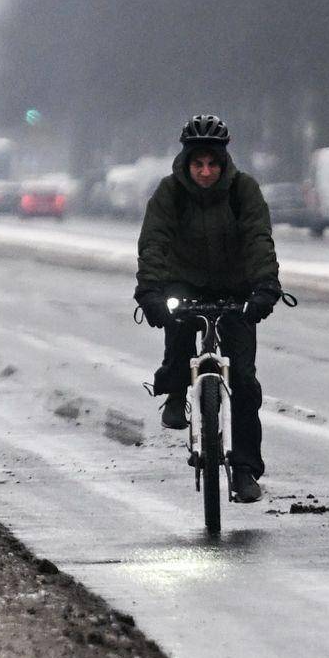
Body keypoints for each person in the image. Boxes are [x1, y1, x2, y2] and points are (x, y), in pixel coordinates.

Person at [133, 115, 285, 503]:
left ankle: (246, 469)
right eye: (197, 164)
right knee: (177, 334)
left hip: (235, 288)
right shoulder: (169, 193)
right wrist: (150, 291)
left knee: (246, 382)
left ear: (223, 163)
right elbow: (154, 241)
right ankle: (173, 390)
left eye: (212, 164)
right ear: (186, 162)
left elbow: (258, 238)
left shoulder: (244, 191)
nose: (205, 172)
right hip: (184, 283)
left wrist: (265, 287)